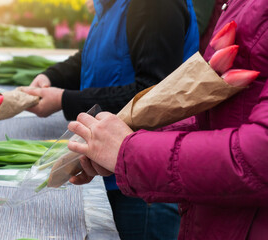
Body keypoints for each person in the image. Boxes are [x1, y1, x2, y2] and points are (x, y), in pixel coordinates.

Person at [67, 0, 268, 238]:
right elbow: (215, 117)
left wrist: (129, 151)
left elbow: (259, 156)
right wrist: (115, 141)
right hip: (213, 214)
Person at [22, 0, 199, 239]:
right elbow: (92, 56)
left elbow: (152, 94)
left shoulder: (155, 5)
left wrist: (63, 100)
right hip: (109, 166)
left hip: (142, 180)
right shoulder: (110, 4)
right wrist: (51, 77)